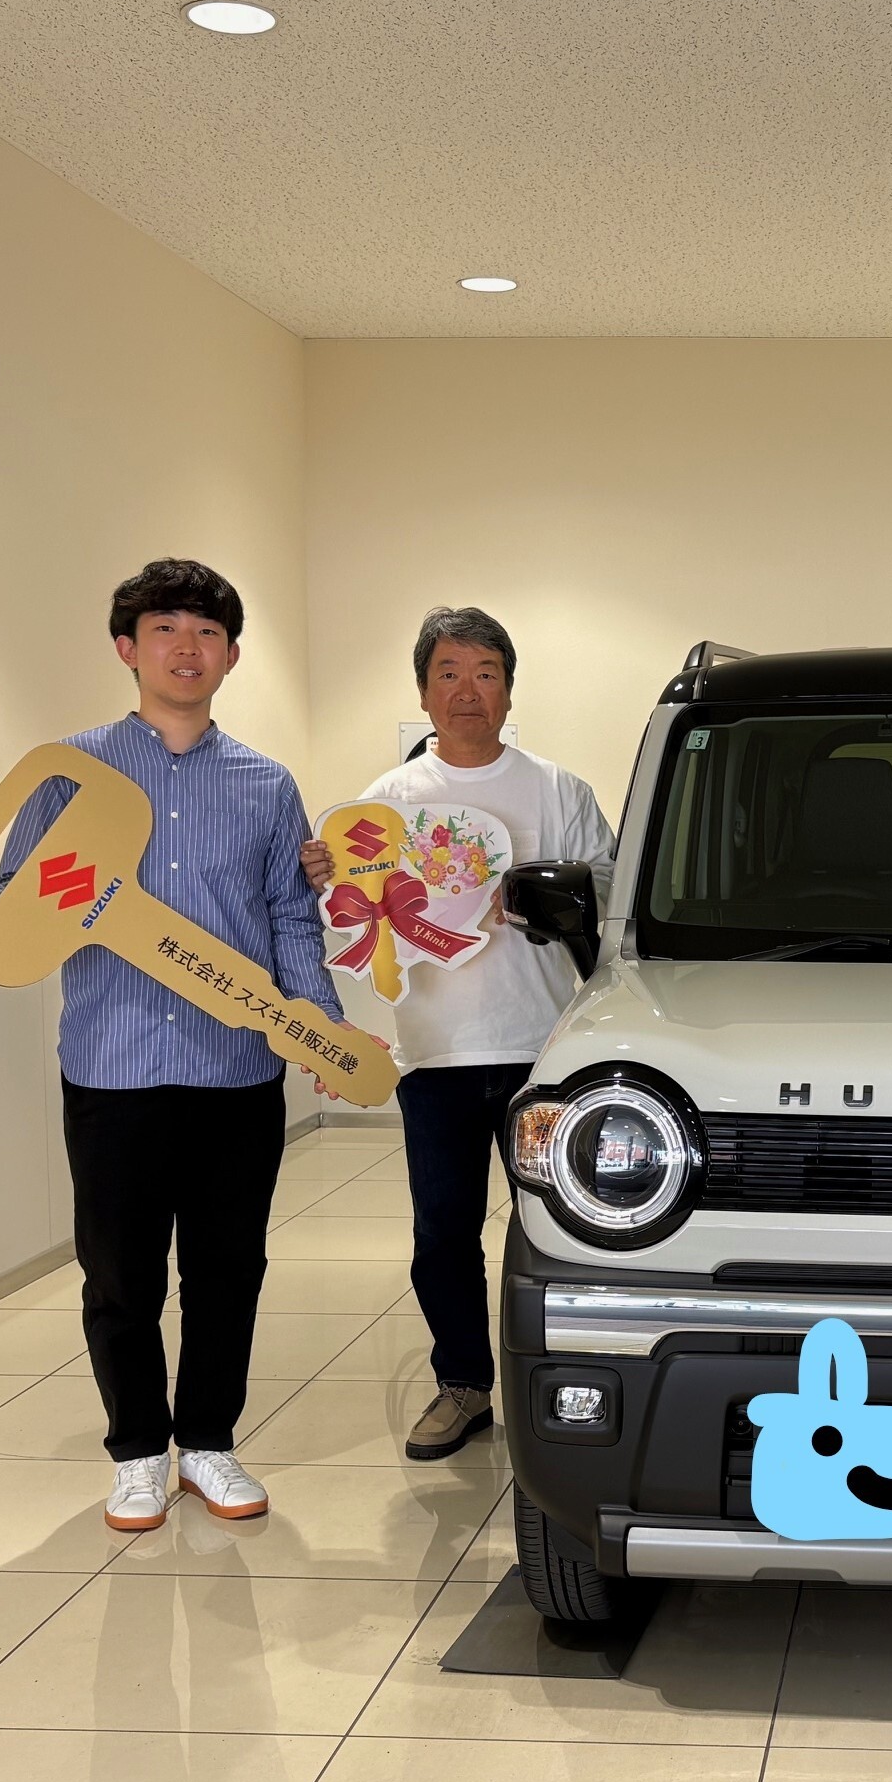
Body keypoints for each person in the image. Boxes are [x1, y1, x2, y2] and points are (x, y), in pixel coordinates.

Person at [0, 559, 346, 1533]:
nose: (187, 647)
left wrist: (319, 1026)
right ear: (126, 648)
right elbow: (15, 894)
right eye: (165, 629)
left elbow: (290, 916)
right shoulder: (69, 773)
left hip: (238, 1068)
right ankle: (139, 1452)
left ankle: (210, 1443)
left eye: (207, 631)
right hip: (113, 1065)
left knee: (228, 1269)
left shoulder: (267, 784)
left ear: (231, 655)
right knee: (119, 1275)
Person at [302, 606, 615, 1460]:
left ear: (509, 689)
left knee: (561, 1226)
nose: (467, 690)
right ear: (423, 691)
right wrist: (321, 874)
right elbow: (347, 912)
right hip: (434, 1050)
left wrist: (546, 894)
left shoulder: (558, 789)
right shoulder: (385, 801)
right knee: (442, 1232)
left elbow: (610, 892)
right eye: (448, 672)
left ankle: (571, 1379)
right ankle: (464, 1384)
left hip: (544, 1051)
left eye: (485, 672)